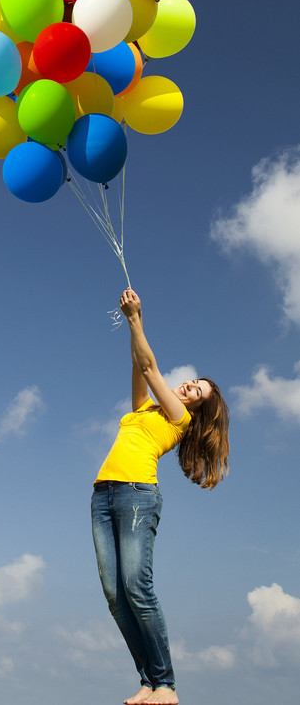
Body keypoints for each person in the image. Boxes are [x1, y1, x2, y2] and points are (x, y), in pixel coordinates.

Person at [91, 287, 230, 705]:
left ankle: (166, 684)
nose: (190, 386)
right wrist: (130, 331)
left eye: (198, 390)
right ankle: (148, 681)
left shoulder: (178, 417)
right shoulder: (144, 410)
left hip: (137, 496)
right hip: (102, 496)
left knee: (137, 586)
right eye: (192, 382)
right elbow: (140, 365)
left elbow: (151, 368)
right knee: (116, 597)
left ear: (197, 408)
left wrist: (136, 317)